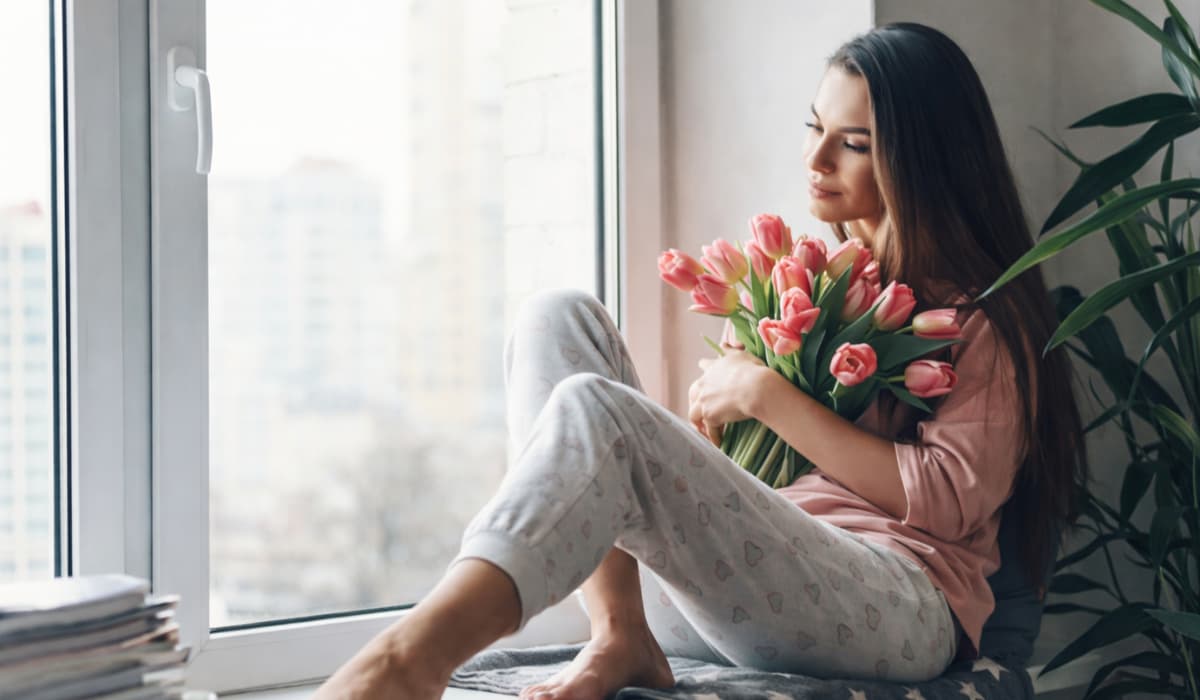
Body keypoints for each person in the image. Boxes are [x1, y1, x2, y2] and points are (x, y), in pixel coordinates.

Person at [313, 21, 1088, 700]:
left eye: (853, 144)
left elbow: (948, 500)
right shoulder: (823, 288)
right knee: (556, 319)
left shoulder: (988, 319)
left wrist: (762, 394)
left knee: (600, 410)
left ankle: (410, 659)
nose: (815, 158)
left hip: (894, 607)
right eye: (813, 126)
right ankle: (620, 631)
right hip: (749, 595)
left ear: (924, 161)